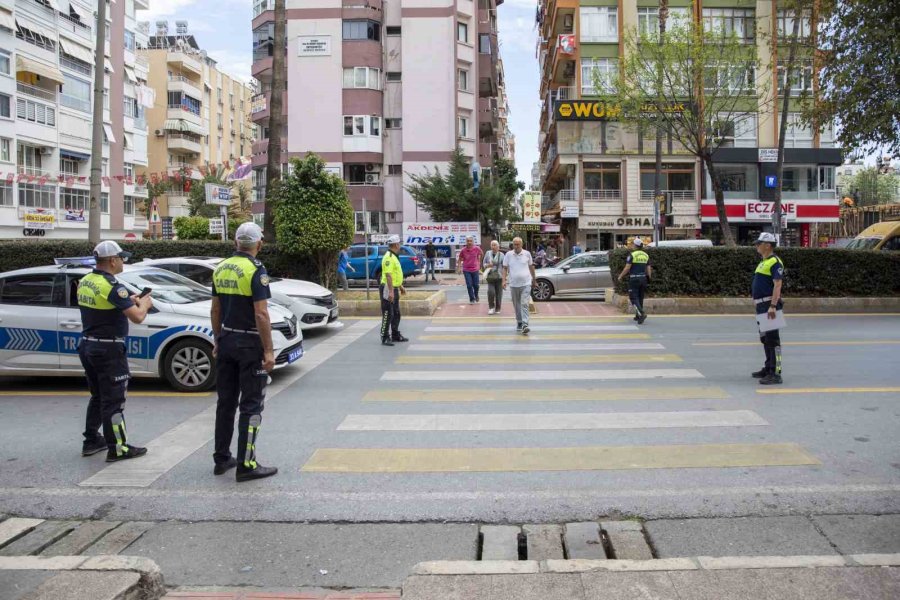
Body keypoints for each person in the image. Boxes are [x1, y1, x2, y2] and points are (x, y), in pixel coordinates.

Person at [211, 222, 278, 482]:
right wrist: (269, 350)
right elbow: (261, 312)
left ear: (236, 243)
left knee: (225, 403)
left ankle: (222, 458)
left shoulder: (222, 267)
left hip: (226, 340)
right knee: (251, 406)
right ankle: (246, 464)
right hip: (249, 345)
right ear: (258, 244)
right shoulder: (255, 270)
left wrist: (218, 338)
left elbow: (215, 310)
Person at [78, 241, 152, 461]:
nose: (123, 262)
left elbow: (101, 306)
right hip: (108, 349)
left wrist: (126, 301)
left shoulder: (86, 281)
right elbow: (138, 317)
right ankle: (118, 448)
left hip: (88, 345)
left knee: (98, 396)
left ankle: (91, 439)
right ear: (112, 260)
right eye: (121, 258)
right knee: (114, 400)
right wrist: (144, 305)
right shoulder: (113, 286)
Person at [752, 232, 785, 385]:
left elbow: (778, 285)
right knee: (765, 338)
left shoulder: (775, 262)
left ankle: (776, 372)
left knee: (773, 340)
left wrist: (772, 305)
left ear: (768, 245)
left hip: (769, 306)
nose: (757, 246)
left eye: (759, 243)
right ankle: (768, 367)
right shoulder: (763, 261)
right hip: (761, 305)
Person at [502, 237, 537, 335]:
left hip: (526, 283)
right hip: (513, 284)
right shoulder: (508, 255)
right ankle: (519, 321)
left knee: (524, 303)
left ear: (522, 245)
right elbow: (505, 268)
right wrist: (503, 281)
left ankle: (525, 324)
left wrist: (534, 280)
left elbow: (531, 267)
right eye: (514, 244)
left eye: (518, 244)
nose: (516, 246)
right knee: (516, 305)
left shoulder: (527, 254)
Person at [380, 235, 408, 346]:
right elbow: (388, 275)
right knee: (388, 313)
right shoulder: (389, 257)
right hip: (387, 288)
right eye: (399, 244)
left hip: (394, 287)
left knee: (396, 313)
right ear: (396, 245)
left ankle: (395, 335)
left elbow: (395, 274)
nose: (400, 245)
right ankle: (385, 336)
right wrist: (391, 291)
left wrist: (400, 286)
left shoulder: (394, 256)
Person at [617, 237, 652, 324]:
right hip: (643, 278)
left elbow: (627, 268)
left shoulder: (632, 255)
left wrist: (620, 276)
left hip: (634, 279)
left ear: (635, 245)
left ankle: (642, 314)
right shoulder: (646, 255)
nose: (632, 245)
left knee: (633, 297)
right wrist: (649, 278)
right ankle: (638, 316)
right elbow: (648, 269)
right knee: (640, 297)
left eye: (632, 244)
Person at [457, 236, 484, 304]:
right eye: (468, 241)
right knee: (469, 285)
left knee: (476, 285)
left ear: (473, 242)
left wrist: (479, 262)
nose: (469, 242)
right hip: (466, 269)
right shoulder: (463, 250)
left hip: (475, 269)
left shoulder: (477, 248)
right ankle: (472, 299)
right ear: (466, 242)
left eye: (470, 241)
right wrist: (459, 268)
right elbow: (460, 259)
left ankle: (476, 295)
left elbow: (481, 254)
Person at [483, 240, 505, 315]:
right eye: (492, 245)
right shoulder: (488, 253)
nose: (493, 246)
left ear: (498, 247)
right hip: (490, 276)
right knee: (491, 292)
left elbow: (504, 266)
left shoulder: (501, 254)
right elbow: (483, 264)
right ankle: (491, 307)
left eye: (495, 245)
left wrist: (505, 278)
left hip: (499, 276)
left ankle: (498, 308)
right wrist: (487, 265)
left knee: (499, 293)